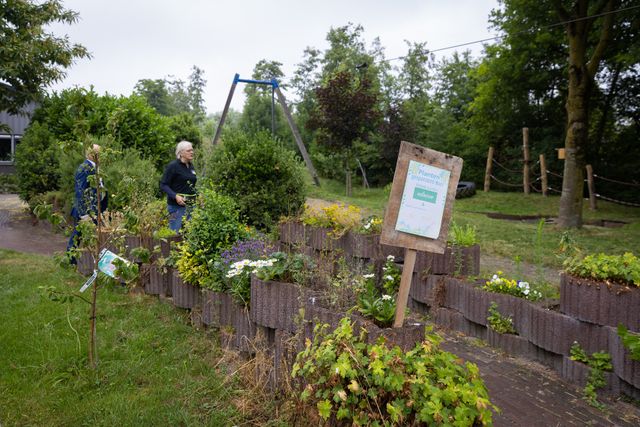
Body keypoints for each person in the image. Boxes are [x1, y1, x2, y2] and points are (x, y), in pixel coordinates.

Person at [66, 144, 109, 262]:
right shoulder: (84, 168)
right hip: (86, 211)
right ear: (91, 155)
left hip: (97, 209)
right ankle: (71, 261)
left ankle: (94, 263)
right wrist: (84, 214)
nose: (101, 156)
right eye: (98, 153)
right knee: (77, 236)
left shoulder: (96, 167)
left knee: (96, 237)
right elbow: (80, 192)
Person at [160, 140, 197, 232]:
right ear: (181, 153)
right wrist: (175, 196)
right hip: (176, 207)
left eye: (192, 150)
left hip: (190, 207)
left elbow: (189, 186)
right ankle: (171, 247)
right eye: (189, 150)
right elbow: (163, 184)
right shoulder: (173, 166)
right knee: (175, 234)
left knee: (189, 235)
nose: (192, 152)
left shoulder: (191, 166)